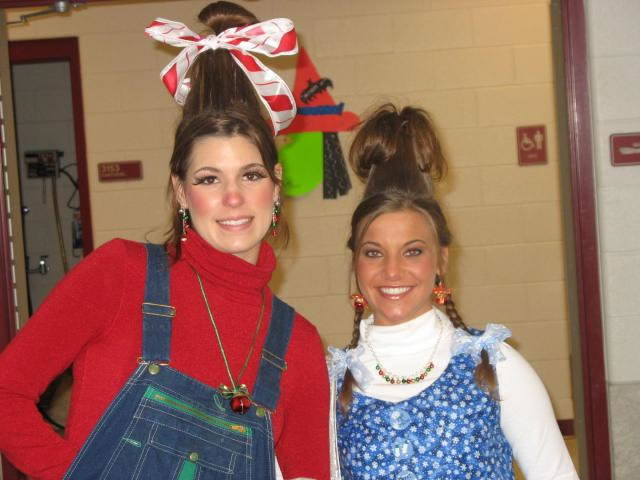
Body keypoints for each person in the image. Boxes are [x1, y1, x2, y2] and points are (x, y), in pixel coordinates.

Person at [0, 3, 329, 479]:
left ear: (276, 186)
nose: (233, 198)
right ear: (180, 190)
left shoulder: (298, 344)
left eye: (251, 175)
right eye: (209, 178)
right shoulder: (120, 275)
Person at [328, 104, 579, 480]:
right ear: (355, 262)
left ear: (441, 259)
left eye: (413, 251)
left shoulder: (493, 367)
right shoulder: (334, 384)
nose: (392, 270)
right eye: (374, 252)